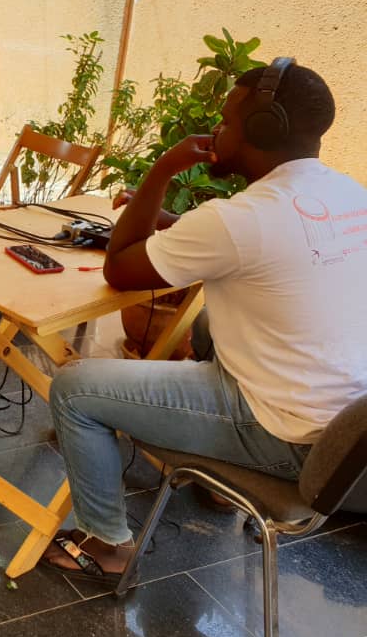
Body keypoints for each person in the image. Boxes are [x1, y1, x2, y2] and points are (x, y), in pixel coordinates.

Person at [41, 61, 367, 583]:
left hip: (289, 439)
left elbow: (120, 266)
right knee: (206, 326)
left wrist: (161, 171)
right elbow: (258, 244)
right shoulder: (349, 196)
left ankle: (105, 545)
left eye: (225, 121)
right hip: (348, 436)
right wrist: (178, 226)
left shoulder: (239, 220)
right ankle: (216, 485)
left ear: (263, 130)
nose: (215, 131)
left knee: (75, 389)